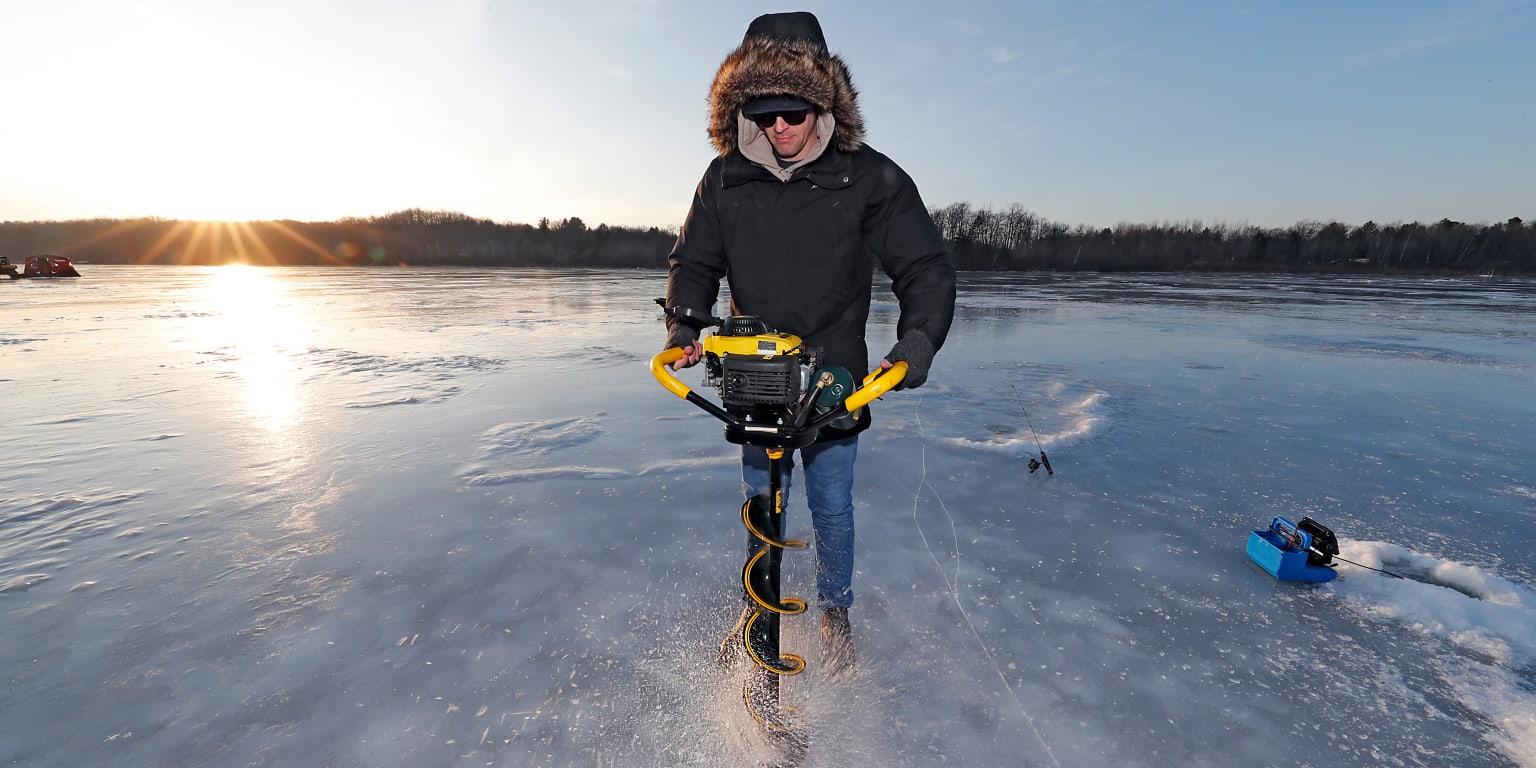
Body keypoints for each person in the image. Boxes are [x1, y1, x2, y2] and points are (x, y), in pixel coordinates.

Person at [662, 11, 956, 672]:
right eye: (765, 114)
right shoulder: (724, 180)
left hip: (835, 378)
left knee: (830, 505)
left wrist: (918, 342)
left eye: (793, 112)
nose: (780, 129)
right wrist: (684, 324)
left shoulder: (868, 177)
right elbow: (694, 263)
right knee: (763, 502)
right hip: (755, 373)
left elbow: (925, 267)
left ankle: (836, 611)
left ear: (822, 104)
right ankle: (757, 605)